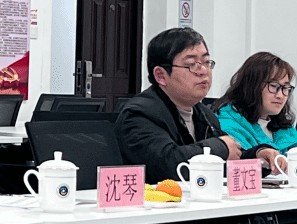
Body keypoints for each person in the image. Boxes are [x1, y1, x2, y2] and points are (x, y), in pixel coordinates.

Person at [115, 28, 284, 184]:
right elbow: (166, 165)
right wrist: (220, 147)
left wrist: (258, 156)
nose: (203, 70)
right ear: (161, 75)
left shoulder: (203, 113)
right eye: (191, 65)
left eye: (206, 62)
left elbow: (228, 158)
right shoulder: (139, 114)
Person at [215, 52, 297, 168]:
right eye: (273, 86)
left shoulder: (286, 129)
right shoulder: (227, 123)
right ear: (251, 86)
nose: (280, 95)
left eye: (285, 88)